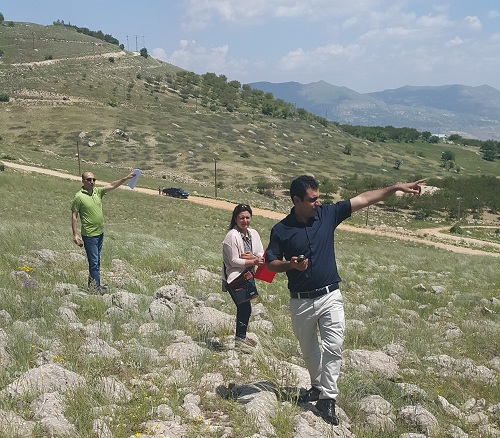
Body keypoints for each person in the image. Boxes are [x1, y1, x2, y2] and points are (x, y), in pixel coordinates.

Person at [265, 175, 425, 425]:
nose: (318, 202)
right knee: (309, 350)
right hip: (301, 302)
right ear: (296, 200)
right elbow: (270, 264)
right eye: (312, 199)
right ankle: (316, 386)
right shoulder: (281, 230)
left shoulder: (328, 214)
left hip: (330, 295)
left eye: (319, 197)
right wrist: (290, 265)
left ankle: (328, 398)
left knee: (334, 345)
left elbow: (364, 199)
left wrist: (395, 188)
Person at [71, 170, 135, 293]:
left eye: (93, 179)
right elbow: (74, 215)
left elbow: (112, 185)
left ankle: (93, 286)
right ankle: (96, 289)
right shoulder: (79, 196)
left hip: (100, 233)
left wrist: (126, 178)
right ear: (83, 181)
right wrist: (75, 234)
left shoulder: (97, 191)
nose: (92, 182)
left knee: (96, 261)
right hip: (89, 235)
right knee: (94, 262)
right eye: (89, 180)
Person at [222, 204, 265, 347]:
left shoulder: (253, 233)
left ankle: (241, 337)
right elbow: (234, 261)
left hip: (247, 275)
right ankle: (240, 339)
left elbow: (260, 252)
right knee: (245, 307)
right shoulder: (231, 236)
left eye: (247, 217)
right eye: (241, 218)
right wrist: (252, 261)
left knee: (245, 308)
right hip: (234, 277)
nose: (245, 220)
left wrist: (253, 257)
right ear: (235, 219)